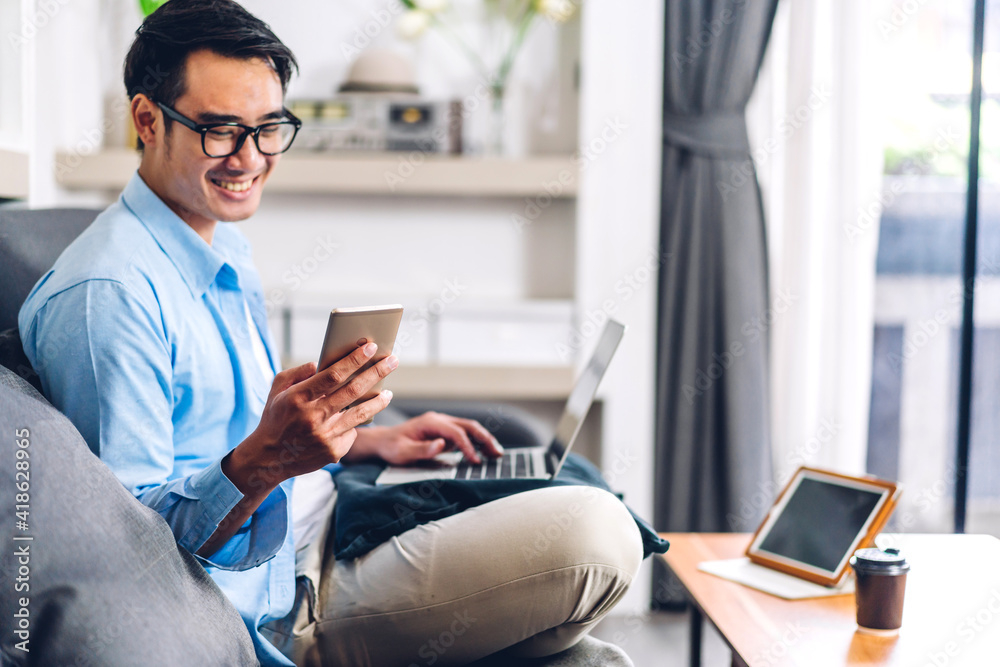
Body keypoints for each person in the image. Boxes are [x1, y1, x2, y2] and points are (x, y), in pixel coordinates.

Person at [18, 1, 642, 665]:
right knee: (599, 533)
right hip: (287, 594)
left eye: (269, 129)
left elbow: (222, 436)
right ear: (147, 119)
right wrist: (270, 458)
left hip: (329, 511)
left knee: (597, 653)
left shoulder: (219, 244)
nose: (250, 158)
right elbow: (134, 558)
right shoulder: (110, 298)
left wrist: (365, 440)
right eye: (221, 130)